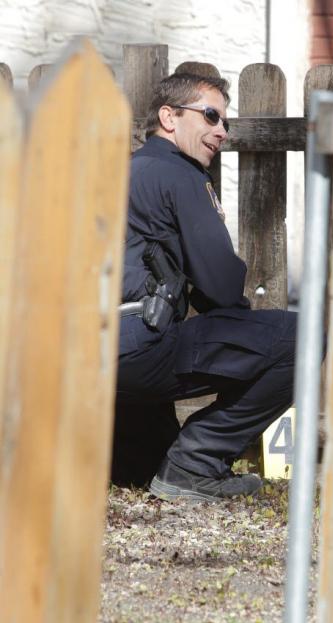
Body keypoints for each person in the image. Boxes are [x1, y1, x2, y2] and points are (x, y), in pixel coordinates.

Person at [114, 72, 297, 501]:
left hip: (86, 357)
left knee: (142, 471)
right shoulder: (180, 174)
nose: (221, 131)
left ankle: (148, 465)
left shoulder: (123, 174)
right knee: (300, 339)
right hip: (141, 348)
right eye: (211, 116)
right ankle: (195, 464)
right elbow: (220, 285)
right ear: (169, 117)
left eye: (226, 123)